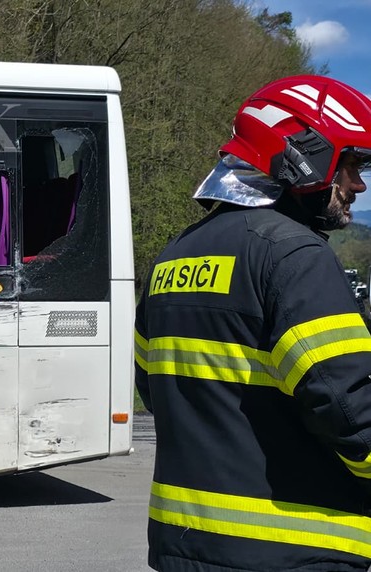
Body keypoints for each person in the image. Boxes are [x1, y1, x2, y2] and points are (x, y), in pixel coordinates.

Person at [134, 75, 371, 571]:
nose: (358, 185)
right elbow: (351, 410)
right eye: (351, 164)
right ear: (304, 154)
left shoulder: (174, 256)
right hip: (294, 550)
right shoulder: (294, 255)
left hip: (185, 548)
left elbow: (154, 388)